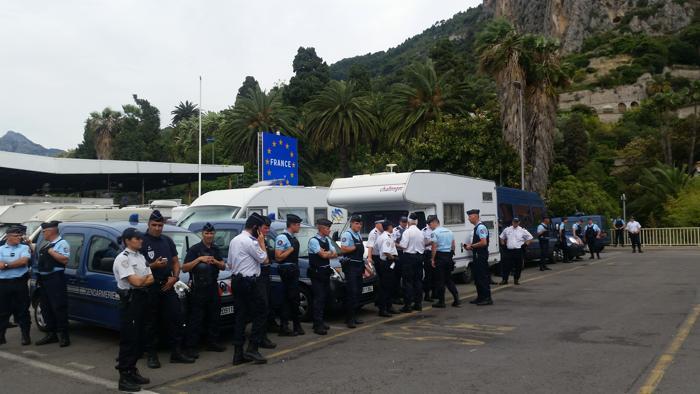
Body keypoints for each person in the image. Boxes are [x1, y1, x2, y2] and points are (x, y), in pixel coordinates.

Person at [141, 210, 193, 368]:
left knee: (176, 318)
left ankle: (176, 352)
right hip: (150, 286)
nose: (157, 228)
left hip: (168, 284)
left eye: (160, 225)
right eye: (154, 225)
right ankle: (151, 355)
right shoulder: (142, 241)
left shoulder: (167, 241)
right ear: (148, 224)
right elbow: (137, 267)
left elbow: (176, 262)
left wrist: (175, 277)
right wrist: (153, 265)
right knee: (151, 322)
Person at [112, 228, 154, 392]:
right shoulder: (123, 259)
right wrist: (143, 280)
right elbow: (135, 282)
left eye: (141, 237)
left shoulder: (141, 257)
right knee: (129, 340)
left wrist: (142, 280)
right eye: (137, 238)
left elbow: (152, 278)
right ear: (127, 240)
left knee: (139, 338)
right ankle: (124, 376)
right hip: (130, 301)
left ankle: (132, 370)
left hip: (142, 299)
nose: (141, 240)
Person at [228, 213, 269, 365]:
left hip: (237, 281)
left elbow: (230, 264)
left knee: (240, 317)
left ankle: (238, 353)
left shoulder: (234, 240)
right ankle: (253, 347)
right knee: (261, 312)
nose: (260, 232)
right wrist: (262, 242)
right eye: (259, 229)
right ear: (255, 228)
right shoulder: (251, 242)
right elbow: (265, 260)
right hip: (250, 282)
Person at [182, 223, 226, 359]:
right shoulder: (195, 249)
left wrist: (215, 262)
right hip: (198, 288)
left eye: (211, 233)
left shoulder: (215, 249)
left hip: (212, 286)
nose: (209, 236)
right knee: (196, 318)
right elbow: (185, 268)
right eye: (207, 233)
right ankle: (191, 347)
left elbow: (223, 266)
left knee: (214, 316)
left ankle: (212, 342)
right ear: (202, 234)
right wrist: (199, 259)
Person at [35, 221, 71, 347]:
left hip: (55, 279)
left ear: (51, 231)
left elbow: (65, 260)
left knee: (58, 307)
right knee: (46, 307)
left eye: (44, 231)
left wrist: (51, 252)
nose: (43, 234)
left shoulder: (62, 243)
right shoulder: (48, 244)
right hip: (44, 279)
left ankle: (64, 336)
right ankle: (51, 334)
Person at [0, 226, 32, 346]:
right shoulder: (1, 249)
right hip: (3, 284)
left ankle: (25, 336)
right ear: (8, 237)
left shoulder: (24, 247)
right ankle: (1, 336)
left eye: (20, 235)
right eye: (16, 236)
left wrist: (6, 265)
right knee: (2, 311)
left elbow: (23, 261)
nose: (19, 238)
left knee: (23, 310)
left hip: (19, 283)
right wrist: (13, 264)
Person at [275, 214, 304, 337]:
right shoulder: (282, 237)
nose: (299, 227)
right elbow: (278, 256)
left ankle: (296, 325)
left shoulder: (292, 237)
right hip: (287, 271)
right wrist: (290, 250)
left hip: (293, 270)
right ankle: (284, 327)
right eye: (297, 225)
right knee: (288, 299)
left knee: (294, 299)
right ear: (292, 225)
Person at [307, 219, 337, 335]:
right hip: (317, 273)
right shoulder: (314, 241)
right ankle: (317, 325)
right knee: (318, 299)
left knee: (325, 298)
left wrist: (327, 253)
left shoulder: (327, 240)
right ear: (320, 228)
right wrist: (327, 254)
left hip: (325, 272)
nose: (329, 230)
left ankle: (320, 321)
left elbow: (335, 254)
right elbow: (322, 255)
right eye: (327, 228)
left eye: (329, 228)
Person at [339, 216, 366, 328]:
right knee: (352, 292)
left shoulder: (358, 234)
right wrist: (355, 247)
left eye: (360, 224)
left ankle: (354, 316)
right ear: (351, 224)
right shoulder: (347, 234)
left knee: (358, 292)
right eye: (356, 223)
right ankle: (349, 319)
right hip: (351, 267)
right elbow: (343, 249)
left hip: (359, 265)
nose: (359, 226)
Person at [463, 209, 493, 306]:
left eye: (470, 216)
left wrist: (471, 246)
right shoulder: (476, 228)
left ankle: (487, 298)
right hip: (477, 255)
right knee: (477, 277)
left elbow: (483, 242)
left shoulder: (481, 228)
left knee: (482, 277)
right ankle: (480, 297)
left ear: (475, 216)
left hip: (481, 255)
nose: (468, 219)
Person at [430, 217, 460, 308]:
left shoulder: (434, 233)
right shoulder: (449, 231)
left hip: (440, 257)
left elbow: (434, 247)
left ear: (435, 223)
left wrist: (432, 259)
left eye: (430, 223)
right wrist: (450, 256)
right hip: (448, 257)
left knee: (440, 280)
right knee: (448, 279)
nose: (429, 225)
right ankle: (456, 299)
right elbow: (453, 245)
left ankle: (441, 302)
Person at [258, 216, 278, 348]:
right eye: (265, 228)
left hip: (265, 274)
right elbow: (263, 259)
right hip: (258, 276)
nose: (267, 230)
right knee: (261, 307)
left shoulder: (263, 240)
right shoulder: (256, 241)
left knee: (267, 305)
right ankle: (260, 337)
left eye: (268, 228)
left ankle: (263, 334)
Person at [399, 213, 425, 312]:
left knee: (407, 282)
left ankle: (408, 305)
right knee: (418, 281)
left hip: (409, 258)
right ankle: (418, 304)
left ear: (409, 222)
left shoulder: (407, 232)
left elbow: (404, 246)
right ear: (417, 222)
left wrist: (395, 243)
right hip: (419, 257)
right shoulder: (420, 232)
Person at [498, 218, 533, 285]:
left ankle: (516, 279)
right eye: (514, 222)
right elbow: (501, 237)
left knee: (518, 266)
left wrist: (525, 245)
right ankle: (504, 280)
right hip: (509, 251)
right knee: (506, 266)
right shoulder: (507, 229)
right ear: (512, 222)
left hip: (518, 251)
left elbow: (530, 238)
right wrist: (503, 245)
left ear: (519, 222)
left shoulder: (522, 230)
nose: (515, 223)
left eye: (517, 222)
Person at [376, 221, 398, 317]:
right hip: (387, 263)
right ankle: (383, 309)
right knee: (386, 287)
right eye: (392, 226)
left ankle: (388, 306)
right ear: (389, 227)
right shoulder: (386, 237)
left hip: (384, 263)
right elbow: (386, 251)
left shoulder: (382, 236)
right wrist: (392, 258)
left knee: (388, 286)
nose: (393, 228)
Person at [422, 217, 436, 302]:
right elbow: (422, 244)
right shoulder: (423, 231)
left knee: (435, 275)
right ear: (429, 223)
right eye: (433, 222)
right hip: (428, 254)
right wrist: (431, 242)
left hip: (436, 253)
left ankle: (435, 293)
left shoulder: (437, 230)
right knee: (428, 276)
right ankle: (427, 295)